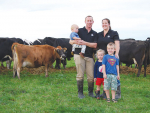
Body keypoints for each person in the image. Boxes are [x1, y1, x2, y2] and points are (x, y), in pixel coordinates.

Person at [69, 16, 98, 99]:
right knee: (80, 75)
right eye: (88, 20)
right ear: (85, 21)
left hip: (89, 56)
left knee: (91, 76)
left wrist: (84, 43)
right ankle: (80, 93)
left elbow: (95, 45)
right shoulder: (79, 30)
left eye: (90, 21)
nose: (89, 22)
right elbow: (70, 41)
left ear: (93, 22)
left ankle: (90, 92)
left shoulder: (95, 33)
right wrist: (75, 41)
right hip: (78, 55)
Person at [97, 18, 121, 99]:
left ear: (109, 24)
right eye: (103, 23)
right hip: (103, 57)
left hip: (112, 57)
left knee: (114, 74)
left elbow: (117, 44)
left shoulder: (114, 33)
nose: (104, 24)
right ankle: (105, 93)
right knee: (104, 74)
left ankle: (118, 93)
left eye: (106, 23)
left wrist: (116, 53)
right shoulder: (99, 34)